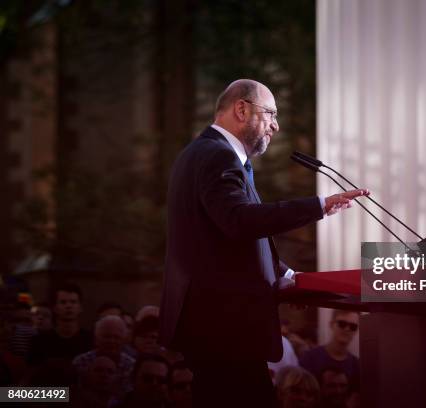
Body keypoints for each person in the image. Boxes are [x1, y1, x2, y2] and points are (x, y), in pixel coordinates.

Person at [159, 79, 368, 407]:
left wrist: (285, 277)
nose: (276, 124)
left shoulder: (204, 153)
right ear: (241, 109)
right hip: (223, 328)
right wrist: (318, 206)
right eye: (270, 113)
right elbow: (240, 221)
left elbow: (228, 239)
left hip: (215, 326)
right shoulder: (217, 156)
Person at [28, 283, 93, 366]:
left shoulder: (90, 340)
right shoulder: (39, 341)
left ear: (80, 307)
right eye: (63, 302)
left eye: (73, 302)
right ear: (54, 308)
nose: (68, 306)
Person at [73, 315, 134, 396]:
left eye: (116, 337)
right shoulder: (80, 362)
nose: (112, 341)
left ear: (124, 341)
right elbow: (57, 395)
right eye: (107, 336)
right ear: (96, 339)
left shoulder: (131, 366)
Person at [300, 310, 360, 388]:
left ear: (356, 331)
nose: (347, 329)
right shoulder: (310, 358)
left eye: (353, 327)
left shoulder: (356, 365)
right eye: (342, 324)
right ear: (331, 324)